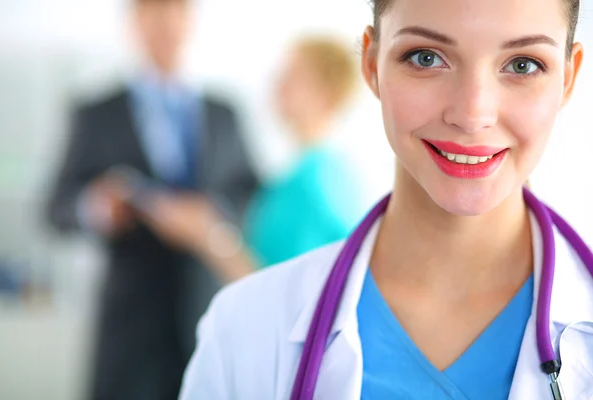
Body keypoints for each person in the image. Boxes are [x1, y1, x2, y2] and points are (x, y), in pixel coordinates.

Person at [179, 0, 593, 399]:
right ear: (372, 64)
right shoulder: (241, 329)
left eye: (523, 65)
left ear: (568, 78)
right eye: (426, 58)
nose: (472, 114)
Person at [45, 0, 258, 398]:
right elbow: (55, 206)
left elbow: (249, 191)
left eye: (176, 11)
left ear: (190, 21)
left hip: (210, 312)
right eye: (153, 11)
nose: (166, 23)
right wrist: (96, 208)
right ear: (134, 23)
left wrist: (212, 218)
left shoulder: (224, 112)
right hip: (131, 326)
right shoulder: (96, 112)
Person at [244, 36, 368, 267]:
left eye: (294, 77)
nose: (279, 85)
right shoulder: (300, 173)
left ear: (327, 94)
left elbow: (277, 281)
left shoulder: (318, 178)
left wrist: (209, 238)